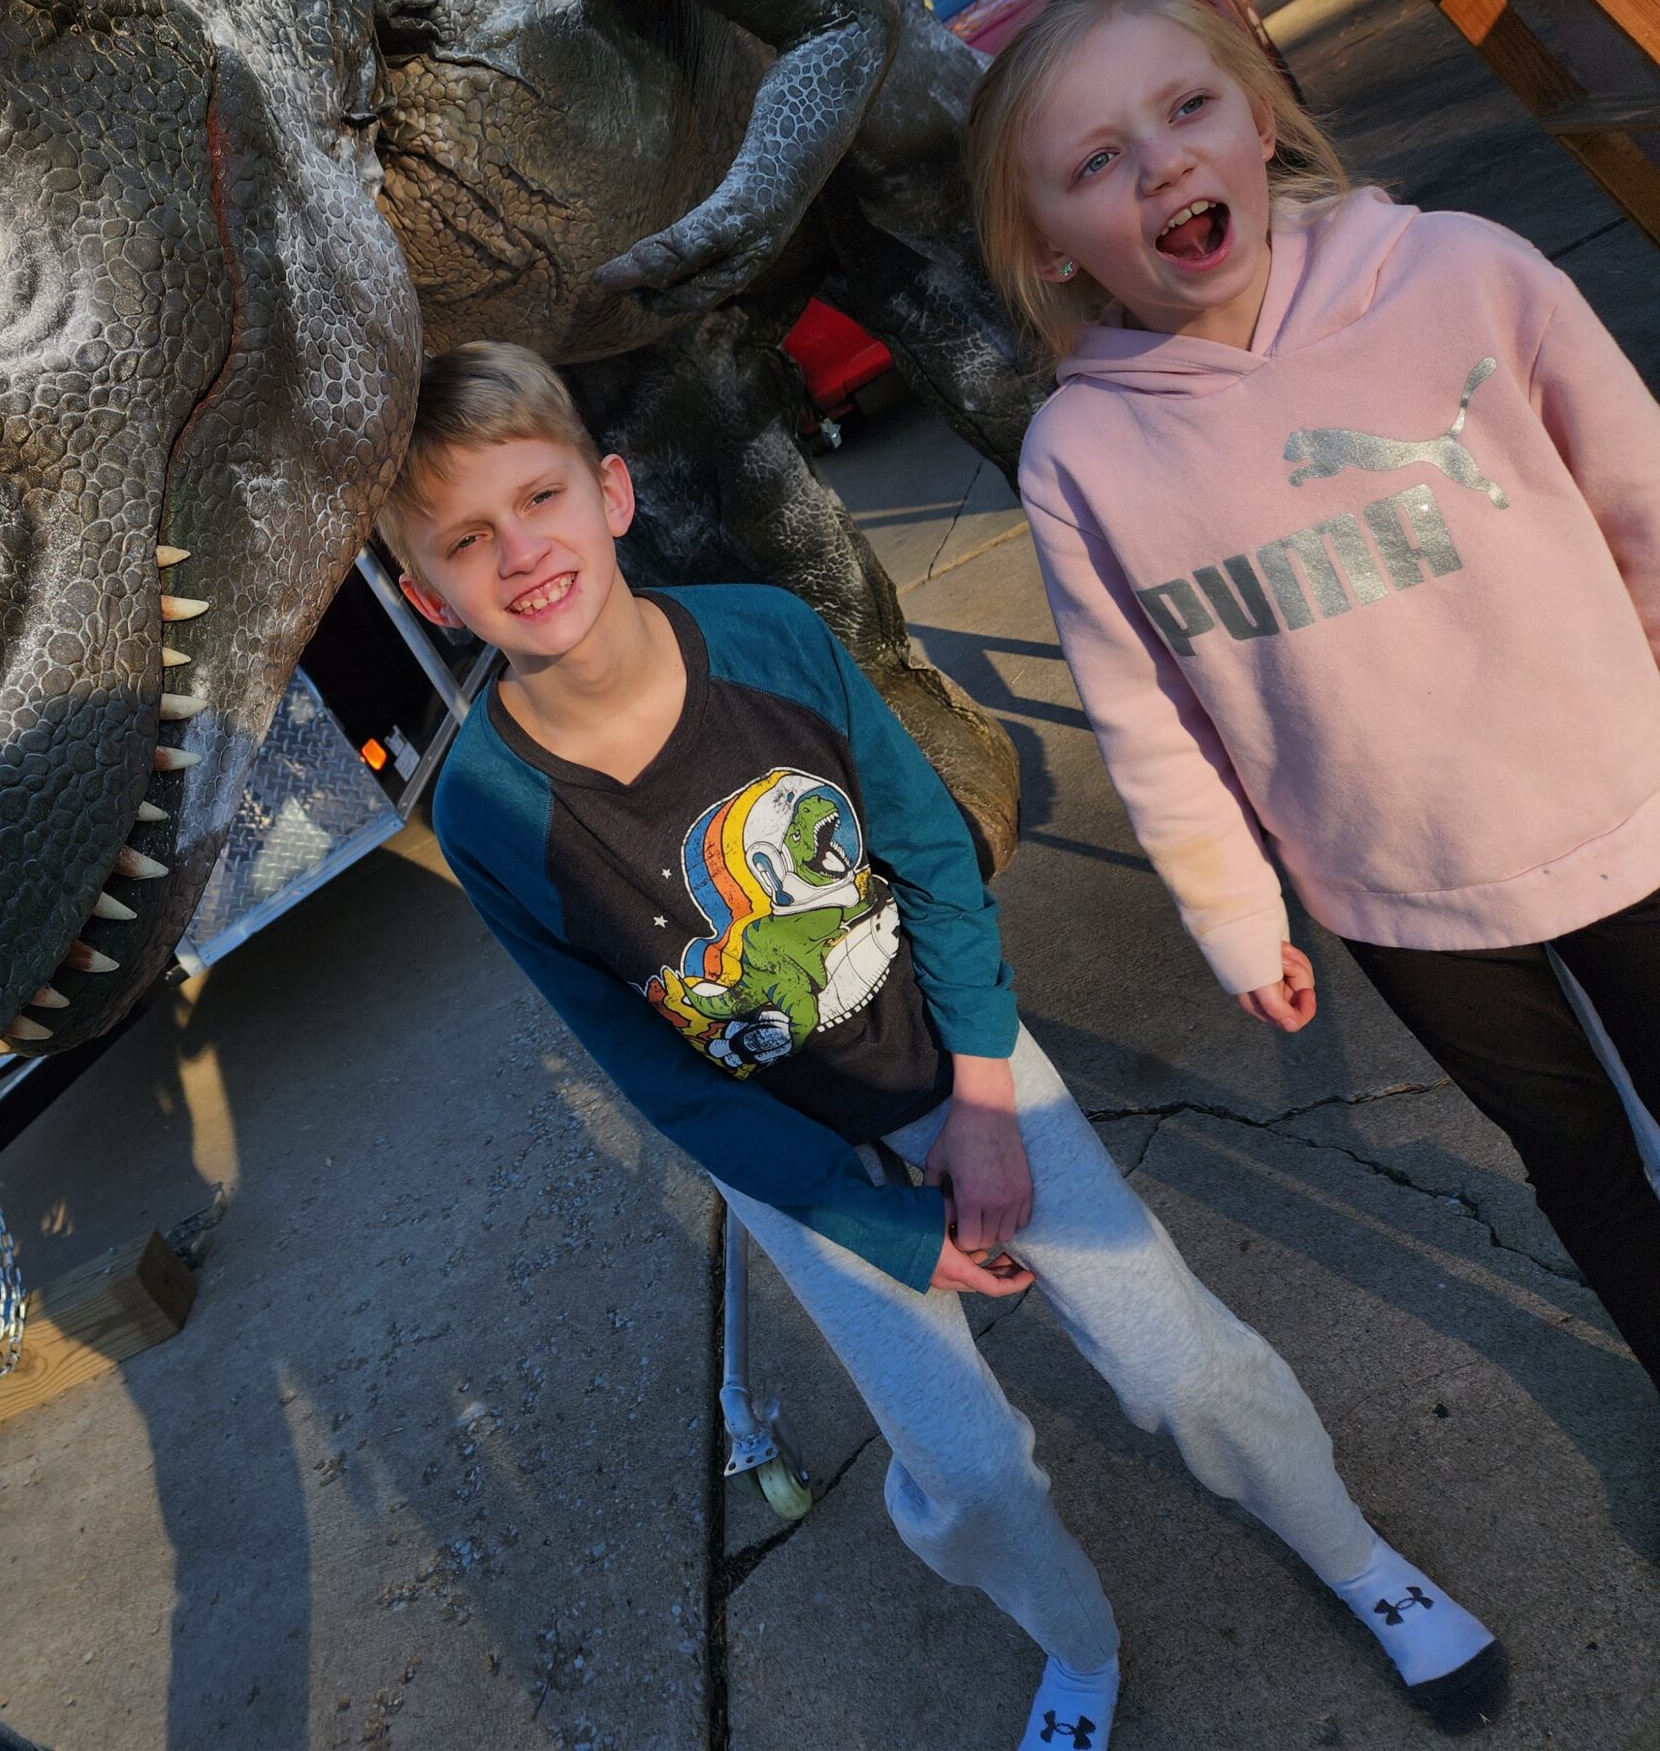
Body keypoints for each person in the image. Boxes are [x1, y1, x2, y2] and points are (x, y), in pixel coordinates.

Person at [386, 341, 1503, 1750]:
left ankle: (1354, 1554)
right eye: (469, 541)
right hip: (794, 1162)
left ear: (610, 492)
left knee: (1183, 1367)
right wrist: (880, 1225)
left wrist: (984, 1092)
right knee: (967, 1470)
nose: (521, 553)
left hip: (960, 1061)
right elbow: (652, 1070)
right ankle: (1078, 1651)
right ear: (428, 593)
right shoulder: (488, 807)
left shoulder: (774, 638)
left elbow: (927, 851)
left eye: (538, 498)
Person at [967, 0, 1660, 1393]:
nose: (1161, 162)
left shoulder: (1464, 272)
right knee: (1578, 1156)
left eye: (1187, 106)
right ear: (1045, 246)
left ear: (1263, 111)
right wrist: (1231, 912)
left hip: (1624, 803)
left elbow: (1639, 494)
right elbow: (1147, 714)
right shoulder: (1080, 459)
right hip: (1398, 893)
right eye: (1098, 161)